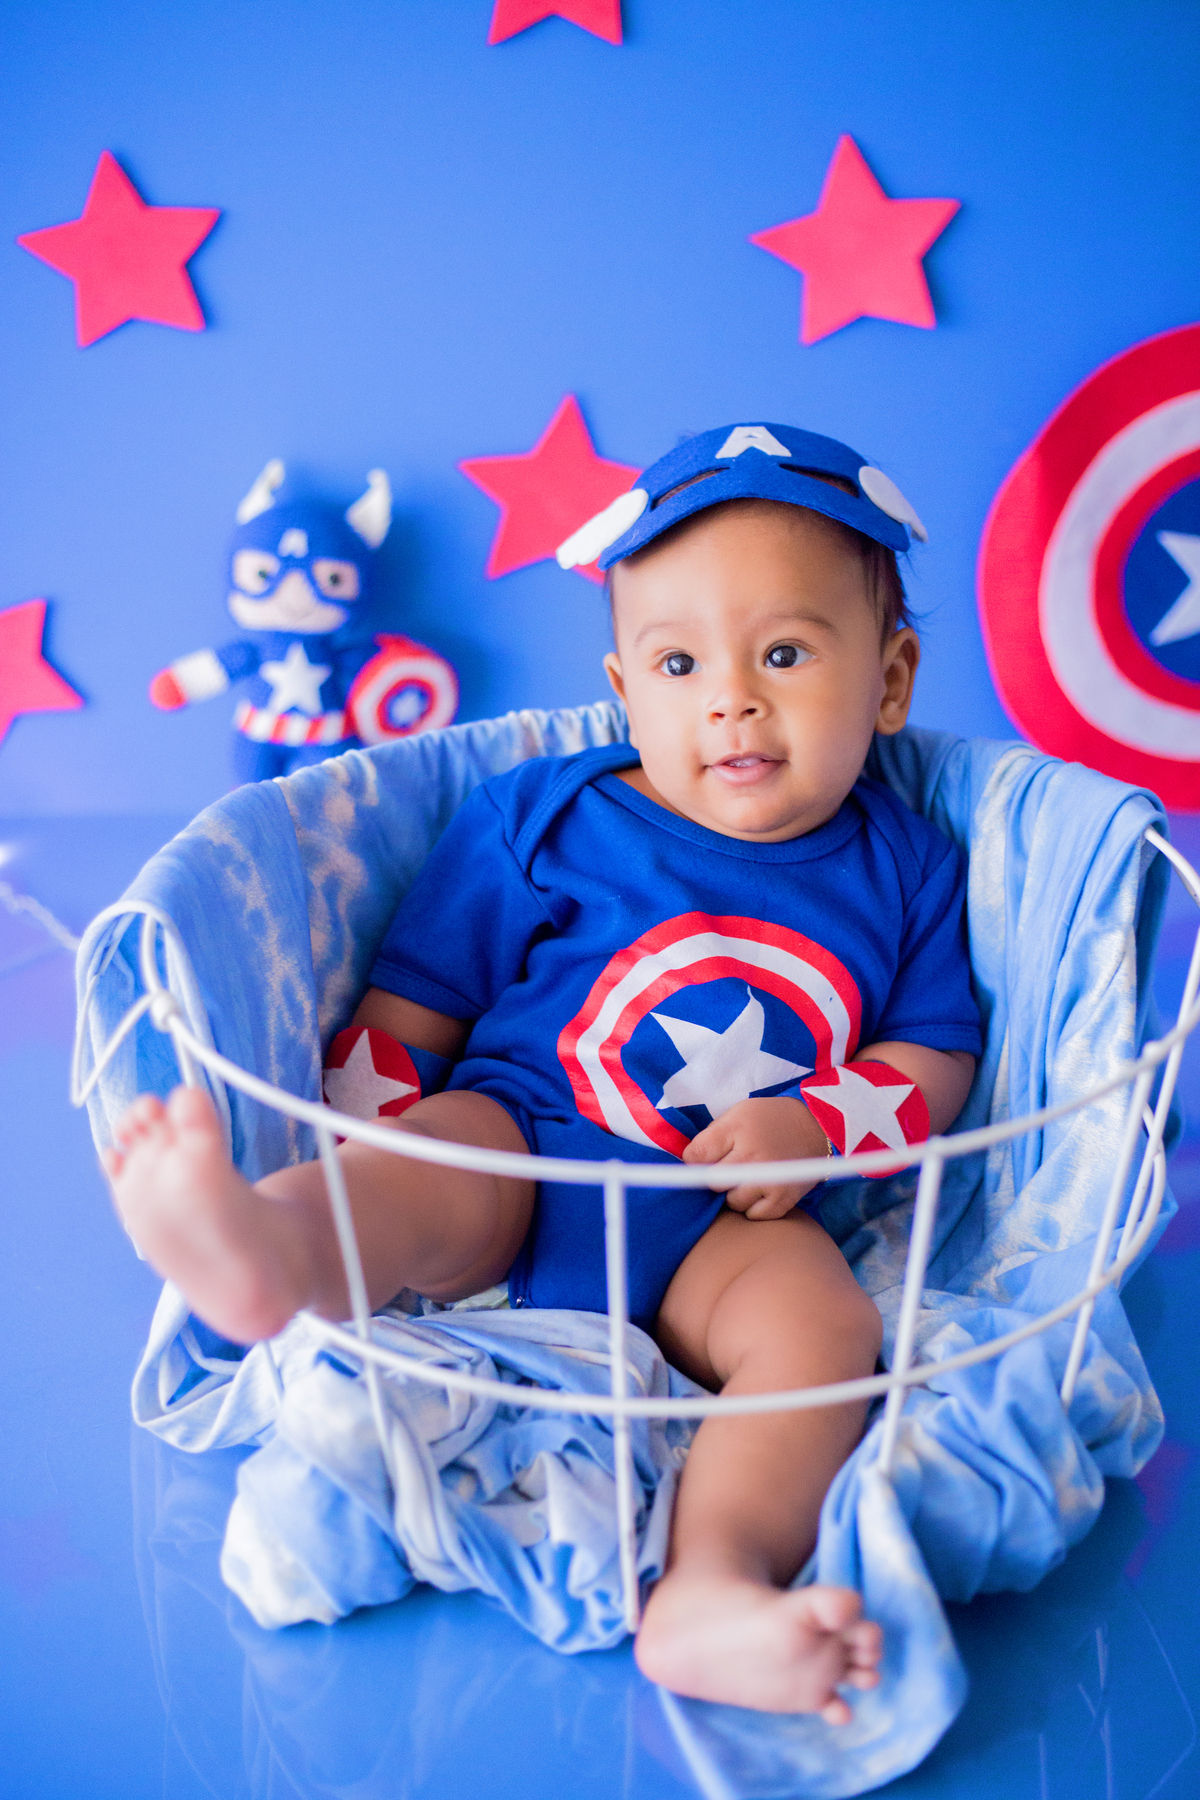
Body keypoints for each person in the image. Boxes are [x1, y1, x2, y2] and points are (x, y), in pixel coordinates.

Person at [105, 423, 980, 1721]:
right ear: (625, 688)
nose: (731, 700)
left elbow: (934, 1049)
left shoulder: (906, 863)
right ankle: (270, 1252)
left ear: (892, 679)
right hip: (521, 1143)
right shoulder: (546, 816)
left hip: (725, 1219)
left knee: (825, 1337)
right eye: (679, 664)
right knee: (416, 1172)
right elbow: (415, 1003)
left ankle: (714, 1583)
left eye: (786, 654)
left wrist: (819, 1124)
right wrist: (364, 1126)